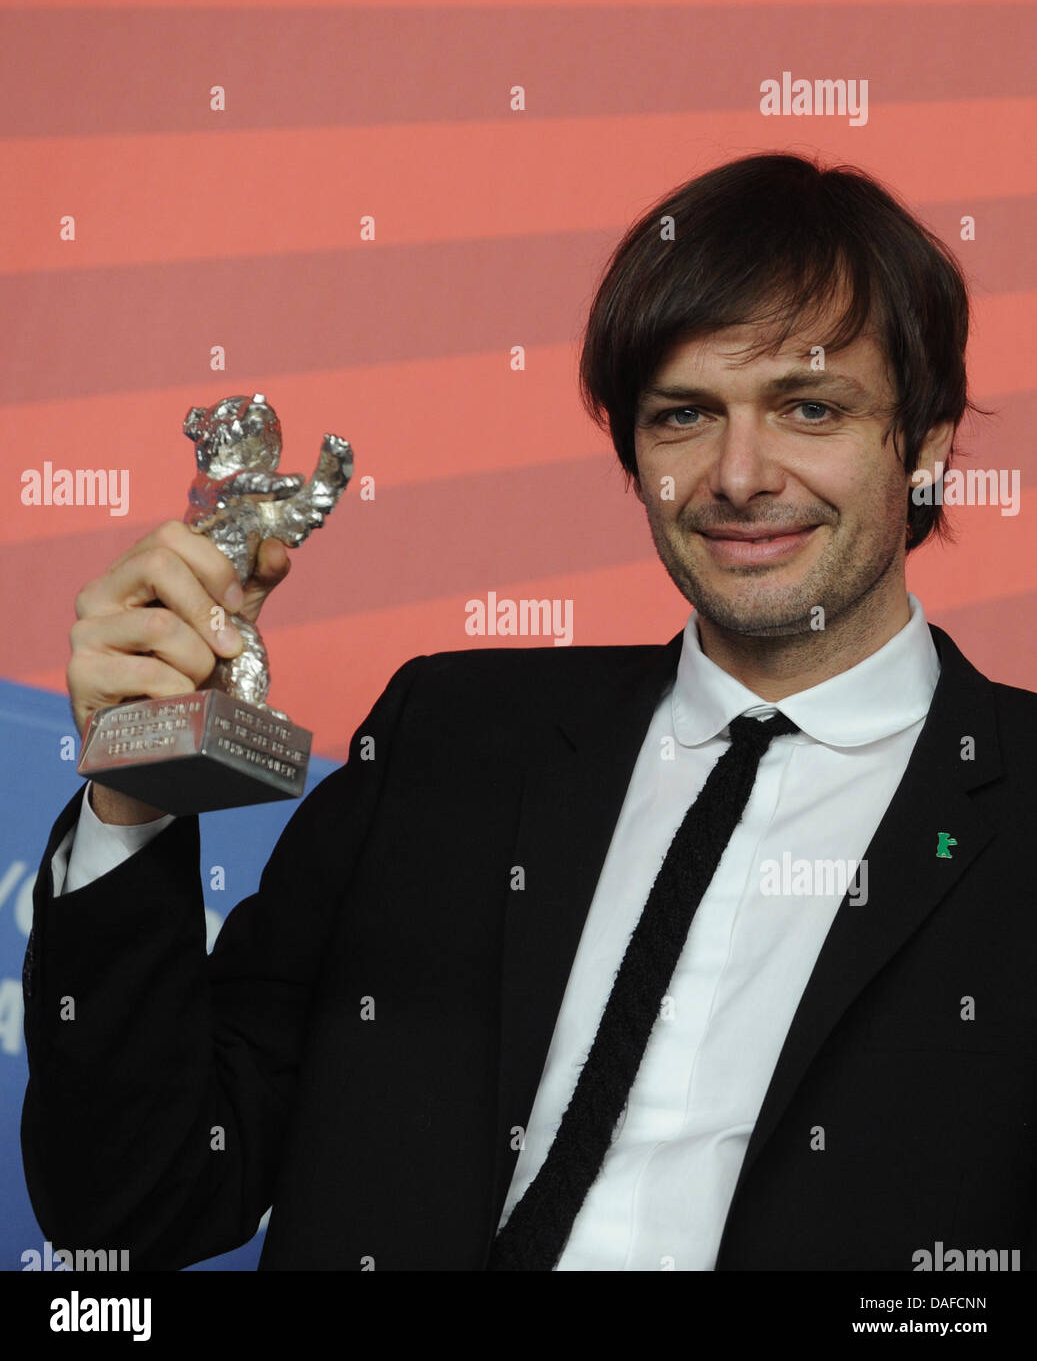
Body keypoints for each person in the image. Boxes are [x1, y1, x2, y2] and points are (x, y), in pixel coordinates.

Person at [21, 152, 1036, 1272]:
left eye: (807, 406)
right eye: (683, 415)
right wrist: (136, 786)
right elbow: (133, 1199)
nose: (738, 474)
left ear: (929, 442)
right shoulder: (446, 741)